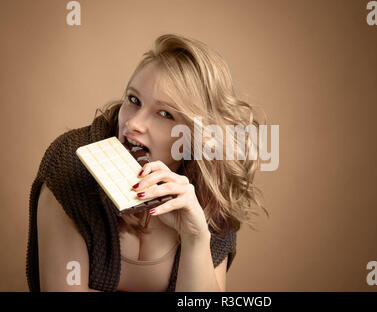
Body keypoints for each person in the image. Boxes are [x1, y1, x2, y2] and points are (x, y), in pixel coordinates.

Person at [26, 33, 268, 292]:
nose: (133, 124)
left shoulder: (212, 195)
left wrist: (195, 239)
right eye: (133, 100)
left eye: (165, 114)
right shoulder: (72, 164)